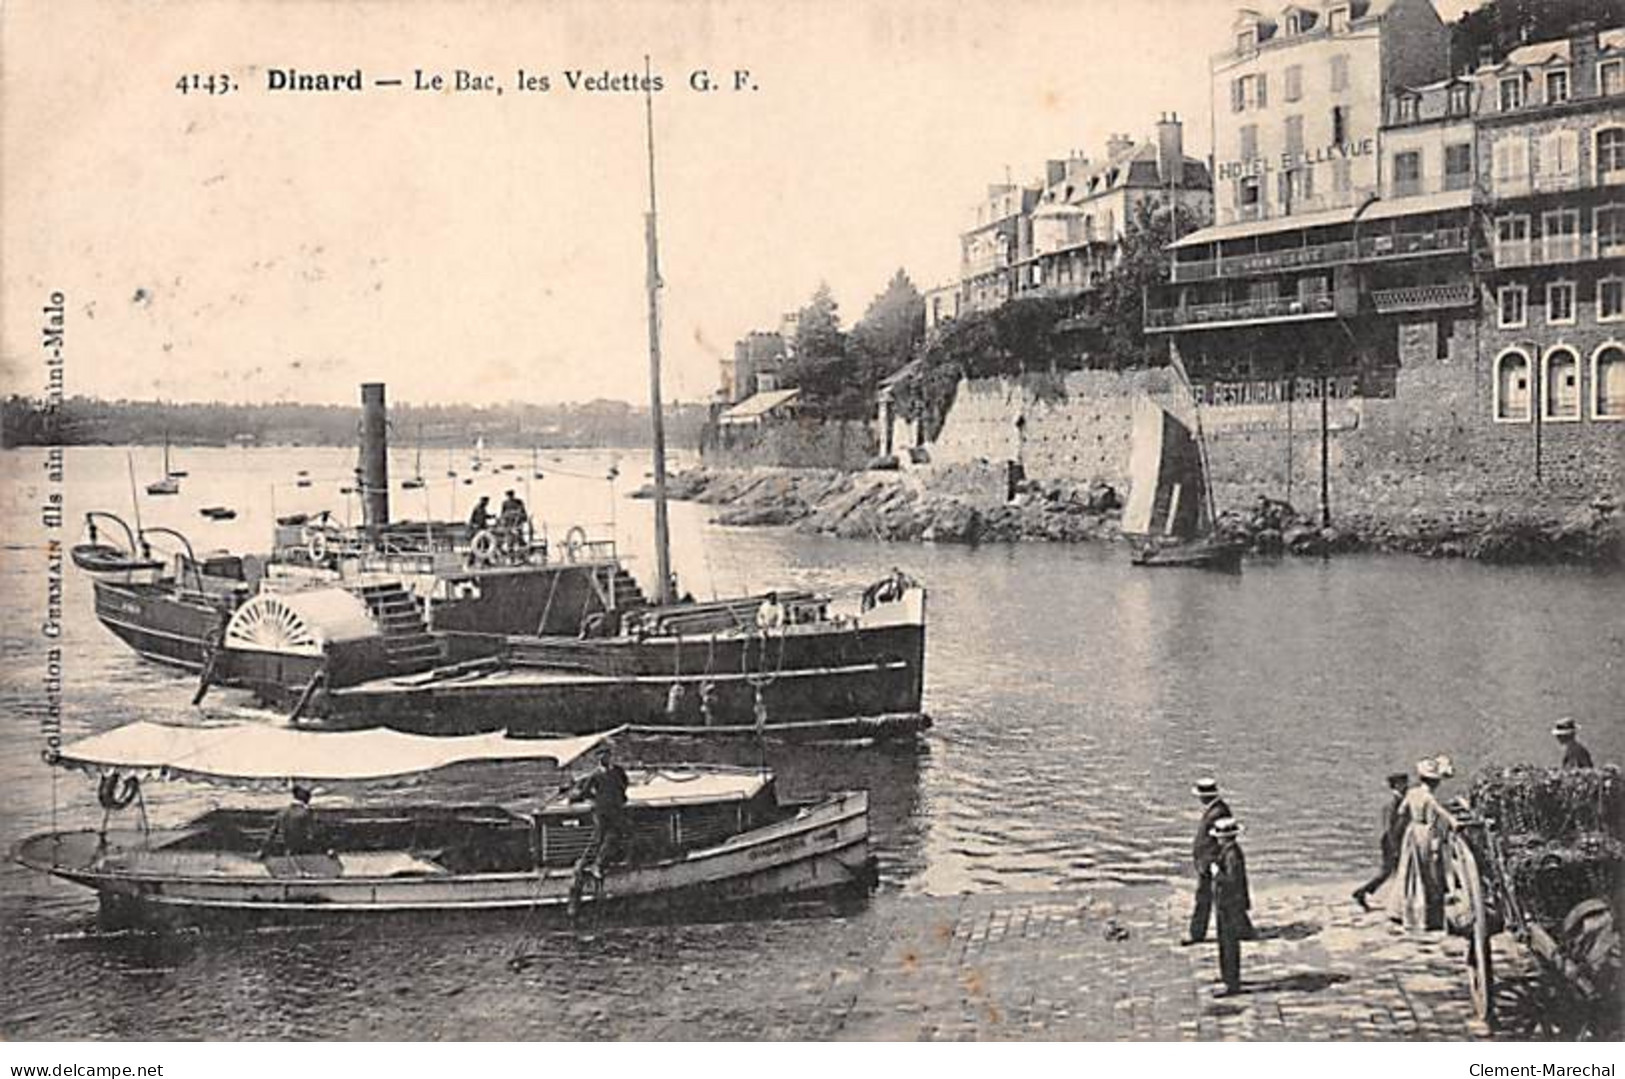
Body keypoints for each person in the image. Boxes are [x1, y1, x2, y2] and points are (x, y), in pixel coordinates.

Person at [1383, 756, 1460, 931]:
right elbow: (1440, 814)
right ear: (1435, 783)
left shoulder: (1412, 793)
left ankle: (1401, 911)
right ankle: (1424, 916)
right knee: (1428, 873)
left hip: (1412, 832)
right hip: (1426, 833)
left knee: (1409, 870)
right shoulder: (1429, 797)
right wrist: (1453, 822)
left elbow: (1402, 811)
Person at [567, 743, 633, 917]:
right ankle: (592, 864)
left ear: (610, 756)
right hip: (602, 811)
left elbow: (625, 783)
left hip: (616, 809)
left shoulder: (617, 771)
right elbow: (586, 791)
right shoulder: (595, 775)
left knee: (613, 836)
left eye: (606, 755)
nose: (603, 758)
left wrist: (620, 796)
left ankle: (598, 864)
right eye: (600, 756)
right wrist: (591, 799)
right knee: (600, 838)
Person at [1182, 777, 1232, 946]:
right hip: (1207, 862)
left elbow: (1220, 841)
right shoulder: (1215, 809)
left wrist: (1213, 862)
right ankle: (1240, 928)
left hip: (1211, 863)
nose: (1199, 799)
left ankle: (1197, 934)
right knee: (1217, 897)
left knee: (1204, 898)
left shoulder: (1219, 812)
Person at [1353, 772, 1411, 911]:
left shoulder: (1399, 799)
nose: (1406, 785)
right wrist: (1395, 847)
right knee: (1389, 871)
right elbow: (1390, 826)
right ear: (1396, 785)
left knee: (1393, 871)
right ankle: (1363, 892)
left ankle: (1365, 892)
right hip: (1391, 840)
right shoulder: (1393, 802)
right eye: (1403, 783)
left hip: (1395, 839)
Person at [1211, 816, 1251, 997]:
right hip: (1228, 903)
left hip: (1229, 905)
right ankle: (1229, 978)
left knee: (1228, 944)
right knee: (1226, 943)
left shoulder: (1231, 855)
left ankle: (1231, 982)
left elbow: (1232, 881)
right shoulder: (1230, 852)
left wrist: (1217, 874)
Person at [260, 784, 319, 858]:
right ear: (307, 799)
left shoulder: (282, 813)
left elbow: (271, 834)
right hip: (305, 854)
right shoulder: (307, 814)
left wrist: (263, 850)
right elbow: (314, 834)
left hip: (287, 852)